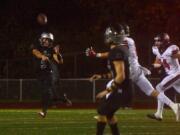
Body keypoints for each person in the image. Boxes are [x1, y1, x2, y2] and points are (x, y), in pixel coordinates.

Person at [86, 24, 180, 121]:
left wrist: (97, 55)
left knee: (110, 86)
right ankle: (174, 106)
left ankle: (106, 113)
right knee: (152, 91)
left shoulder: (124, 41)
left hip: (129, 70)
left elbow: (114, 53)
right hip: (137, 69)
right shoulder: (131, 41)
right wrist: (152, 66)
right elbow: (158, 61)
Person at [89, 24, 130, 135]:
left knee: (101, 112)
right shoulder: (120, 49)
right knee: (109, 115)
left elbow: (121, 76)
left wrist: (106, 91)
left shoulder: (117, 51)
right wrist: (101, 76)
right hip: (123, 89)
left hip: (121, 90)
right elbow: (116, 73)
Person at [32, 32, 72, 118]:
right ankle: (63, 99)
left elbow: (60, 61)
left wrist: (58, 53)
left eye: (48, 40)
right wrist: (42, 56)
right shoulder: (37, 47)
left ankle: (43, 112)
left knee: (46, 92)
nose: (46, 41)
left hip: (48, 74)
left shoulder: (51, 50)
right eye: (45, 39)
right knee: (48, 93)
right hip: (39, 74)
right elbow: (35, 52)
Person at [147, 33, 180, 121]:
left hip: (176, 74)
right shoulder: (157, 49)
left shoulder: (171, 48)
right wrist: (150, 67)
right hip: (172, 75)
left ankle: (174, 107)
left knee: (159, 88)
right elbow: (158, 63)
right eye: (156, 40)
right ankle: (159, 114)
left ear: (164, 41)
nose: (156, 42)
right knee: (160, 90)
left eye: (158, 41)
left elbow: (178, 56)